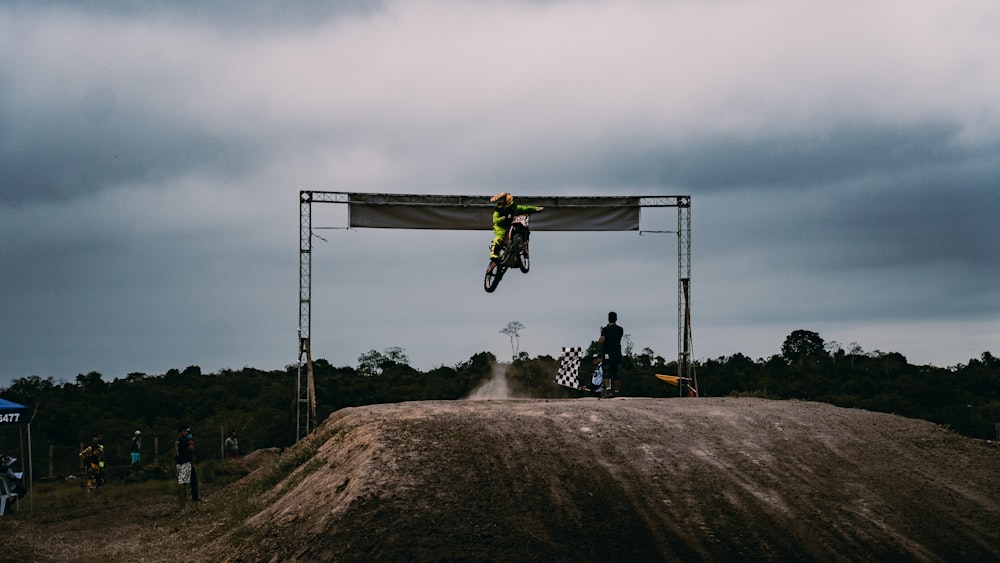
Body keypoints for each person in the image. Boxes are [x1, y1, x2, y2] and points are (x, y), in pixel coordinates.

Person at [488, 192, 543, 261]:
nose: (499, 205)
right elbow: (495, 220)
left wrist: (536, 209)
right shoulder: (498, 211)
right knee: (500, 237)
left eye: (501, 203)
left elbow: (526, 208)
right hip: (501, 226)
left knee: (521, 227)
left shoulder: (515, 208)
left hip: (511, 224)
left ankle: (518, 245)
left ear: (507, 202)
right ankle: (493, 253)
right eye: (499, 203)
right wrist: (502, 218)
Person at [599, 311, 624, 397]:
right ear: (616, 319)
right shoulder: (620, 329)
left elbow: (602, 341)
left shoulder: (605, 329)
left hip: (607, 353)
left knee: (607, 372)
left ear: (608, 319)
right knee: (617, 373)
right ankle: (617, 391)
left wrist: (601, 334)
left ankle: (608, 390)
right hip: (617, 353)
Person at [174, 426, 194, 509]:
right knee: (183, 482)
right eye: (185, 431)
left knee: (181, 480)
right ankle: (183, 504)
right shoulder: (184, 440)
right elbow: (189, 449)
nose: (186, 433)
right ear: (181, 432)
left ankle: (183, 502)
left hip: (179, 462)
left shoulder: (177, 441)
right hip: (185, 462)